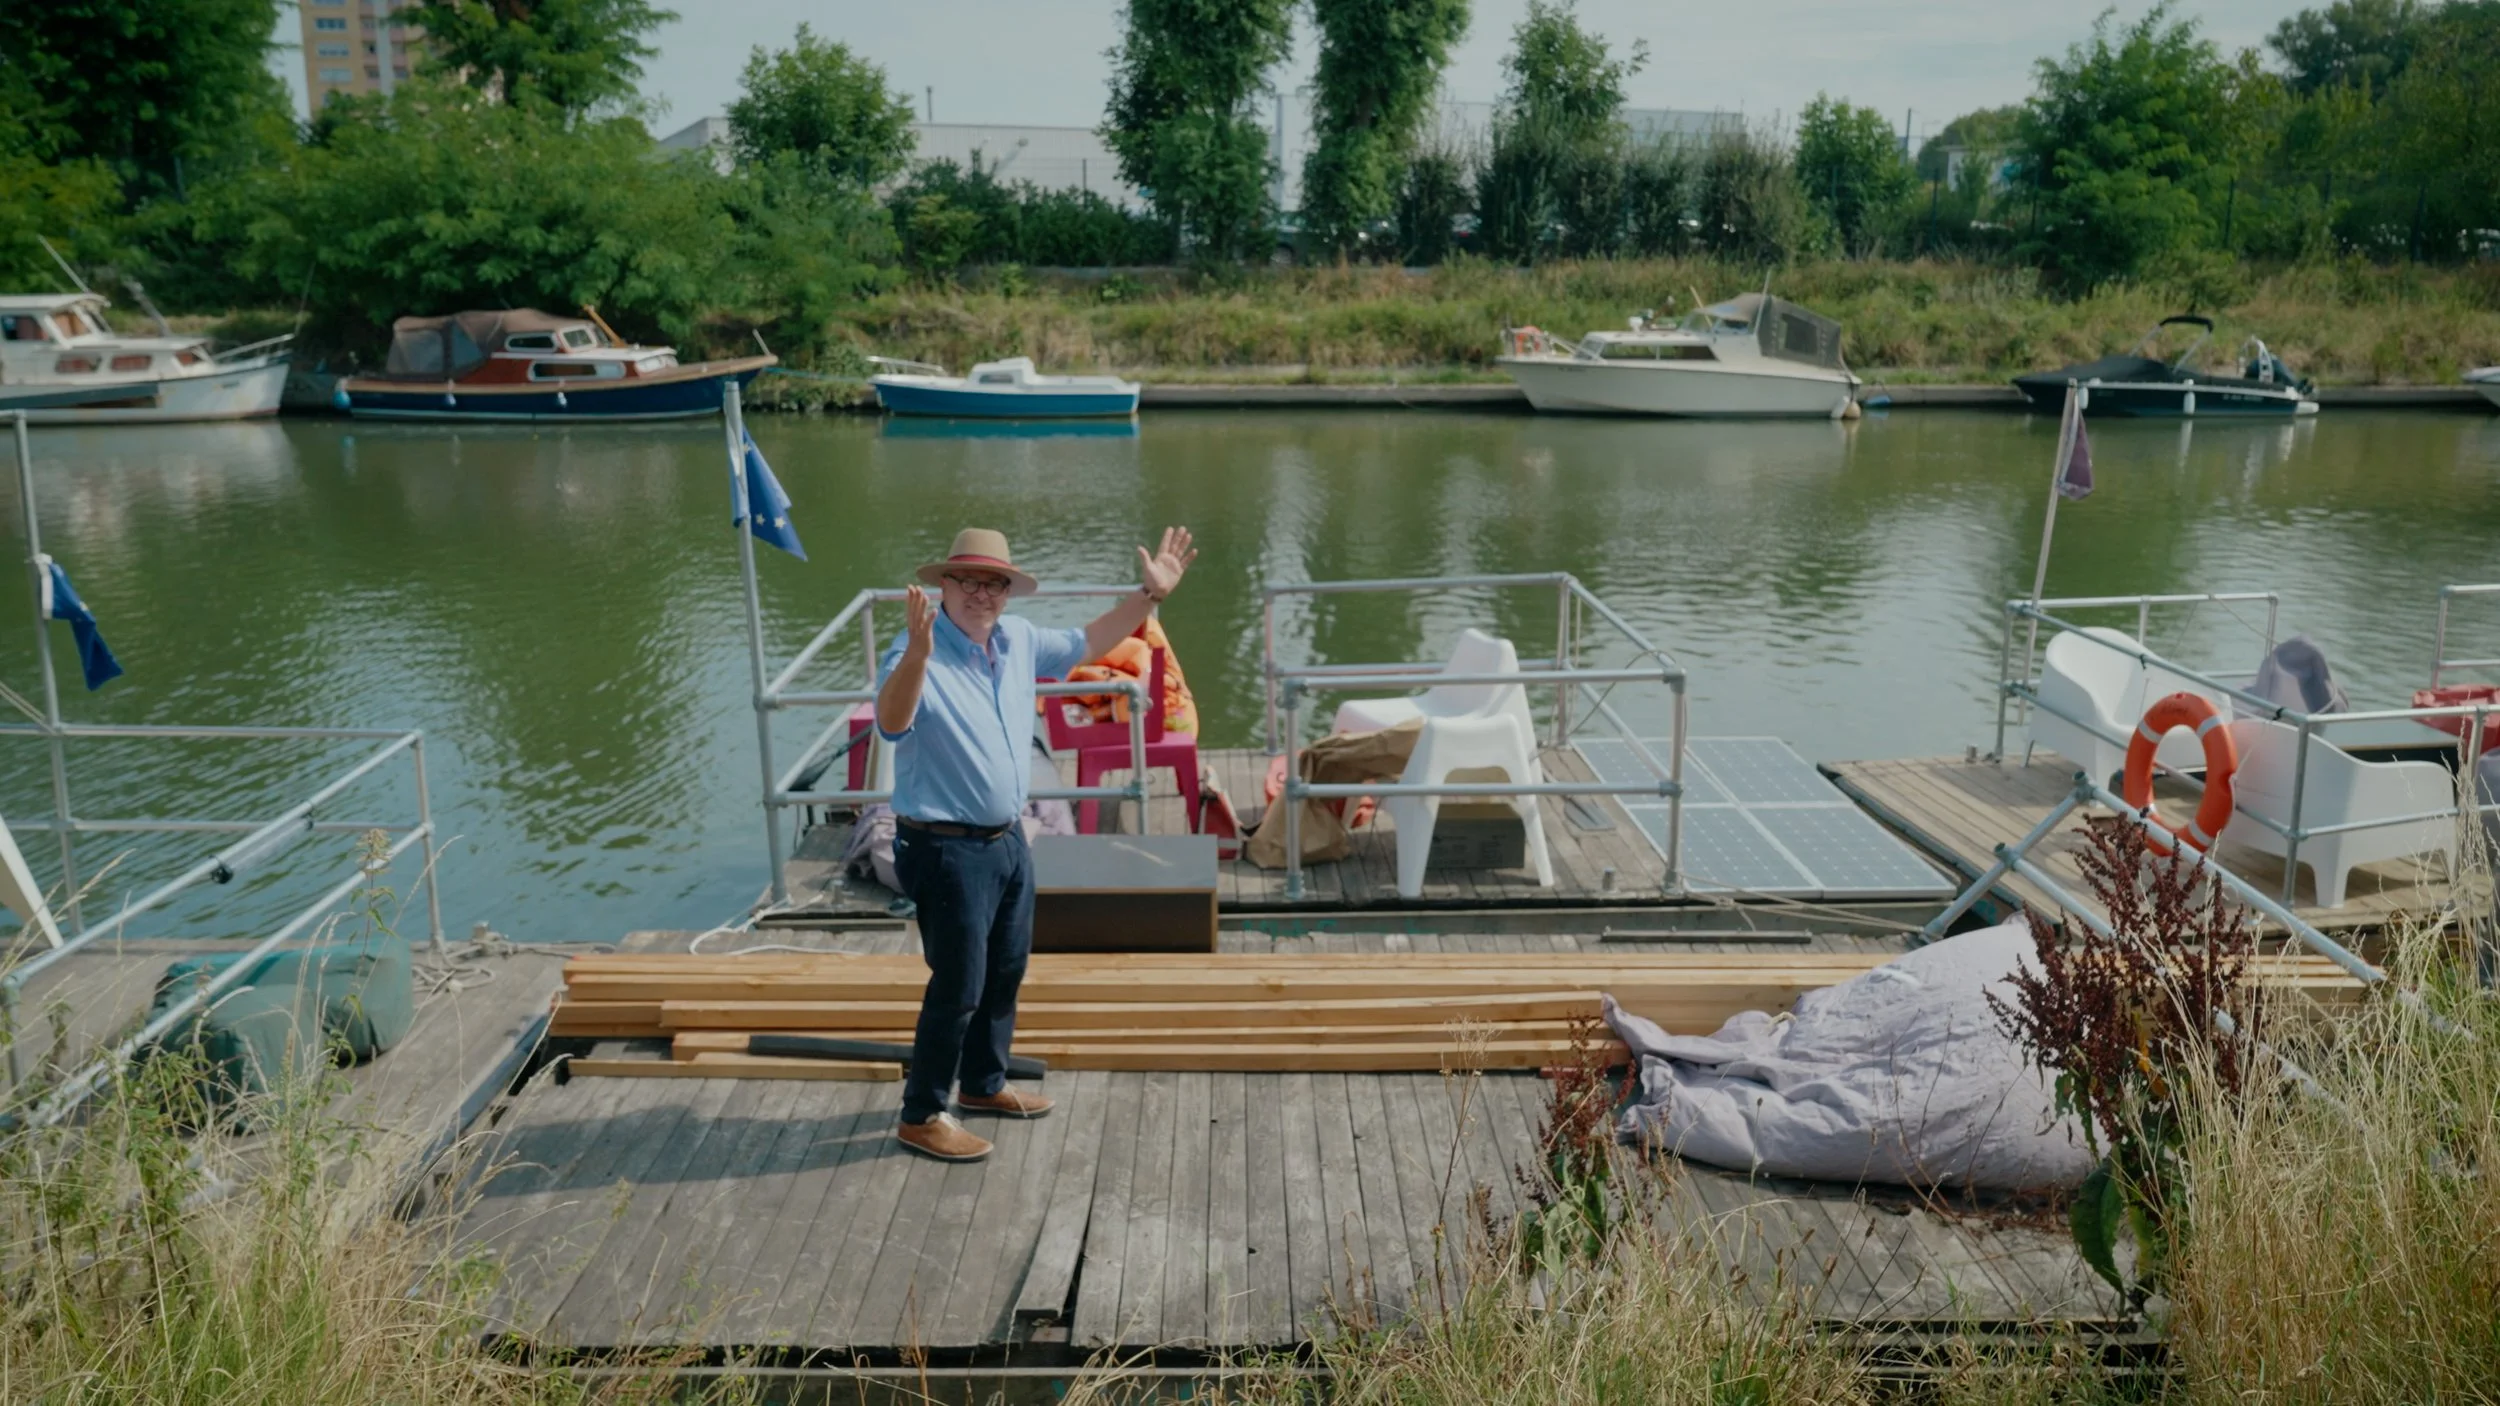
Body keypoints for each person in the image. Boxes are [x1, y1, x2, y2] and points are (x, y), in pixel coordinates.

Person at [874, 525, 1198, 1161]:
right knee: (958, 984)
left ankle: (982, 1082)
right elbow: (891, 721)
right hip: (944, 846)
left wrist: (1150, 596)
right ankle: (921, 1113)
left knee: (1006, 969)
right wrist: (916, 656)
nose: (981, 594)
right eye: (968, 581)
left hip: (1008, 838)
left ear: (1008, 592)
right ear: (944, 586)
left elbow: (1088, 640)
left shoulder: (1017, 639)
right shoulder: (914, 649)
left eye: (994, 584)